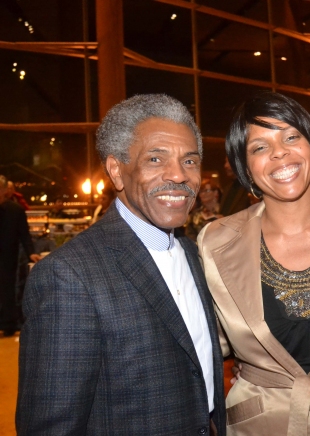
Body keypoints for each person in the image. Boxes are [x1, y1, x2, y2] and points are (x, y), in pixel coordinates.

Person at [17, 94, 226, 435]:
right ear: (117, 170)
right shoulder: (68, 277)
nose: (178, 175)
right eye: (156, 159)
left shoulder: (193, 254)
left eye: (190, 161)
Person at [198, 92, 310, 436]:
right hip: (258, 426)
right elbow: (203, 347)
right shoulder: (215, 242)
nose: (280, 152)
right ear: (244, 166)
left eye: (291, 136)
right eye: (260, 147)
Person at [0, 176, 40, 337]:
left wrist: (32, 253)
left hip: (8, 255)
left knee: (8, 287)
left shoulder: (16, 210)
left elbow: (24, 234)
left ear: (3, 190)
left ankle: (8, 324)